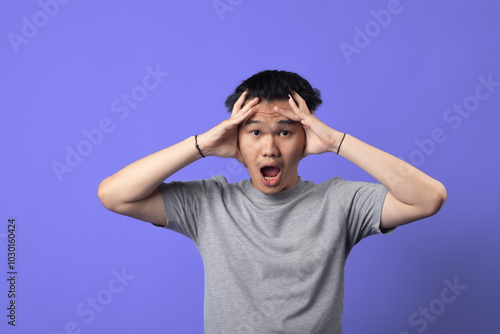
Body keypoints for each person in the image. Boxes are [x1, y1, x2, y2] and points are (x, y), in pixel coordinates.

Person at [98, 70, 447, 333]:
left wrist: (336, 141)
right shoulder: (209, 203)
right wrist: (203, 144)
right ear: (236, 139)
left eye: (284, 131)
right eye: (255, 132)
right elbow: (114, 195)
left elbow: (428, 198)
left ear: (305, 138)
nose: (269, 148)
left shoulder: (341, 202)